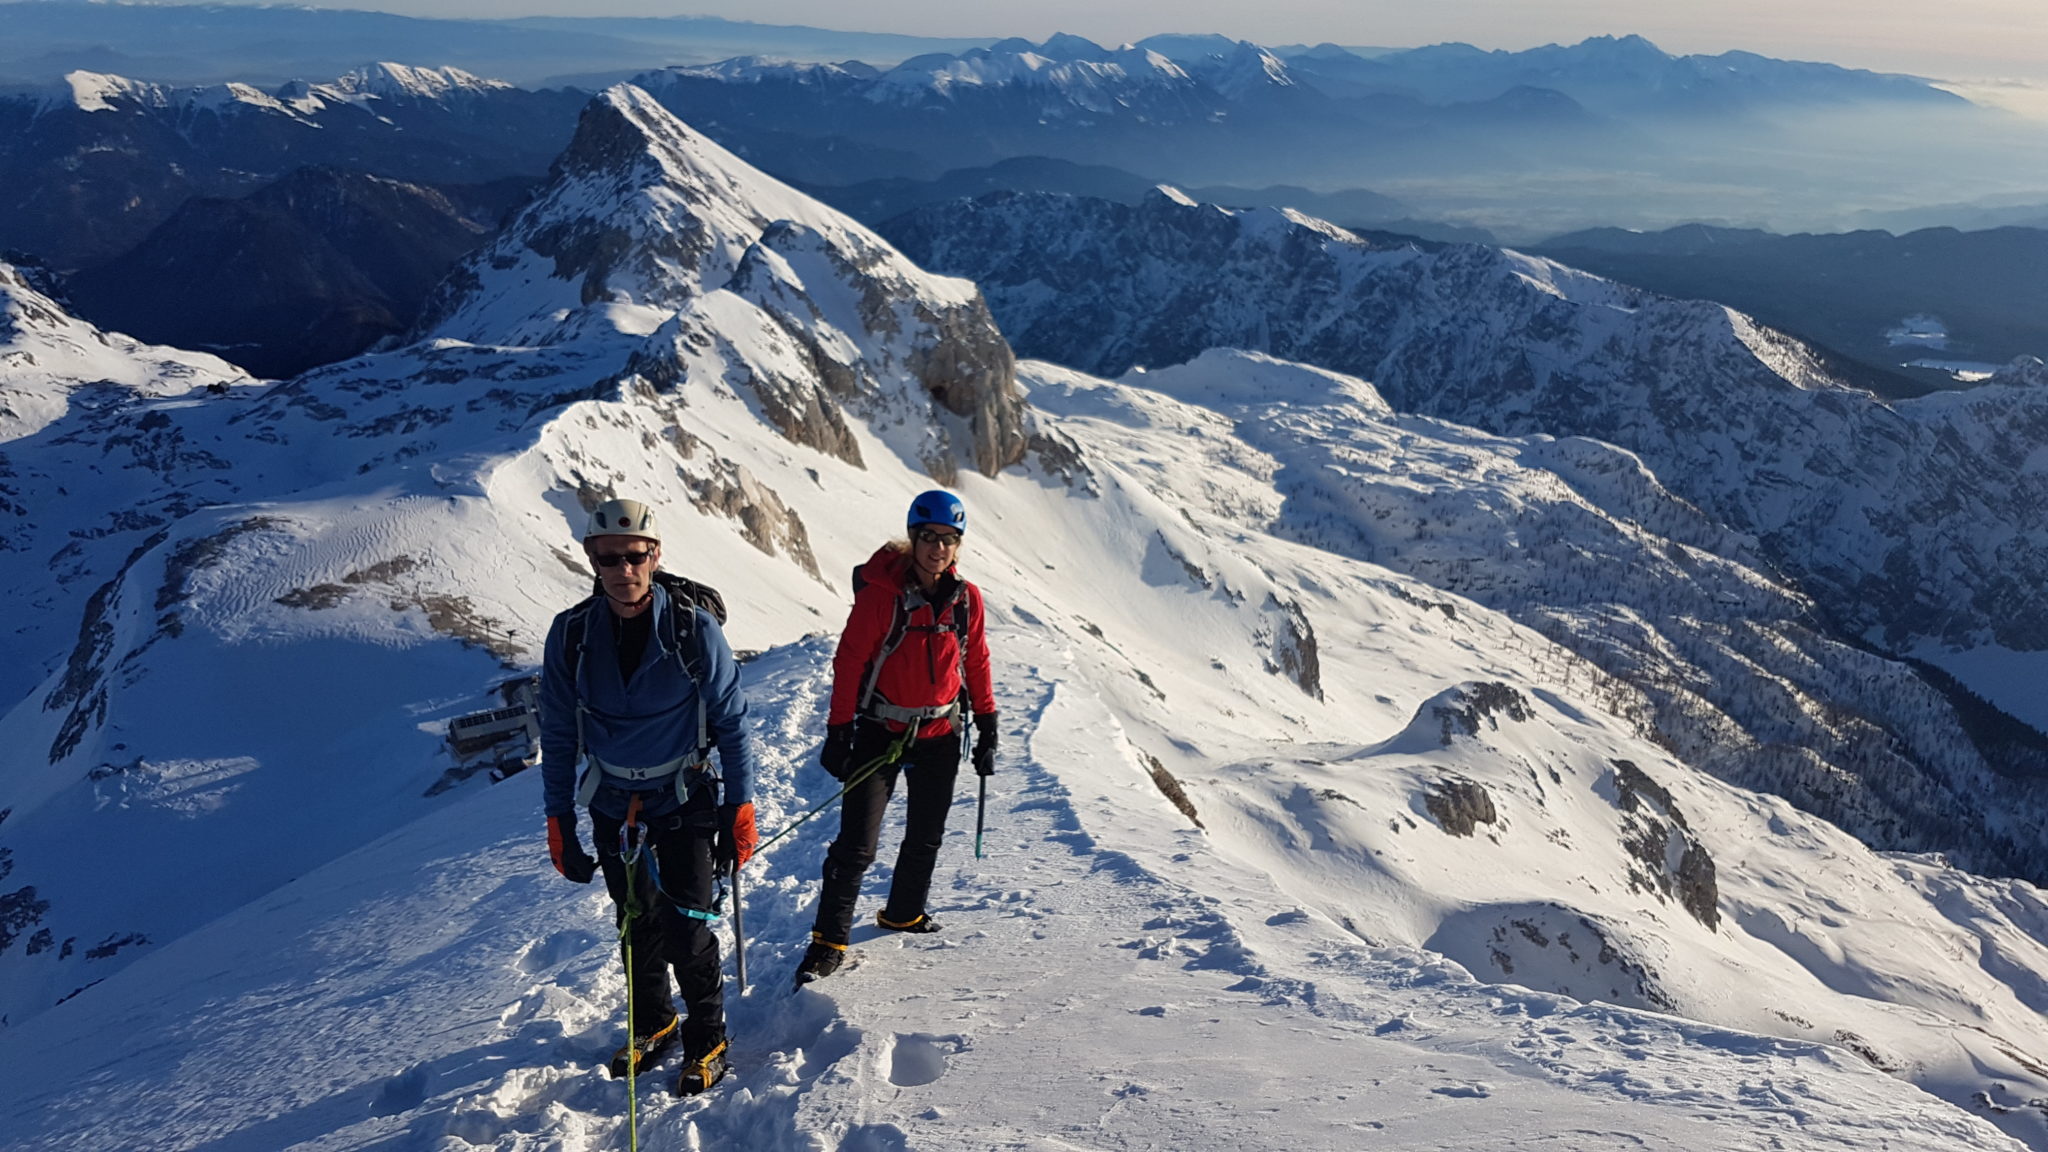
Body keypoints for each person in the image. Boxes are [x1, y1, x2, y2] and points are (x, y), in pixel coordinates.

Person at [538, 498, 759, 1095]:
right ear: (592, 559)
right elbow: (557, 732)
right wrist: (558, 816)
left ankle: (707, 1037)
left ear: (655, 556)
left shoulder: (693, 629)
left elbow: (733, 722)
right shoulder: (572, 635)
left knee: (686, 924)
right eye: (609, 557)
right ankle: (654, 1023)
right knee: (635, 920)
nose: (623, 568)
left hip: (683, 798)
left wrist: (741, 805)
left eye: (634, 556)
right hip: (612, 802)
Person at [795, 489, 998, 985]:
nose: (938, 548)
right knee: (857, 845)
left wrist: (988, 724)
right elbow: (849, 660)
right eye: (929, 537)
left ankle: (903, 912)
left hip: (940, 730)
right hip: (880, 729)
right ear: (913, 538)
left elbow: (976, 659)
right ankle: (828, 940)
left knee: (926, 834)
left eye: (949, 539)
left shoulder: (965, 599)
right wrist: (839, 728)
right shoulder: (882, 596)